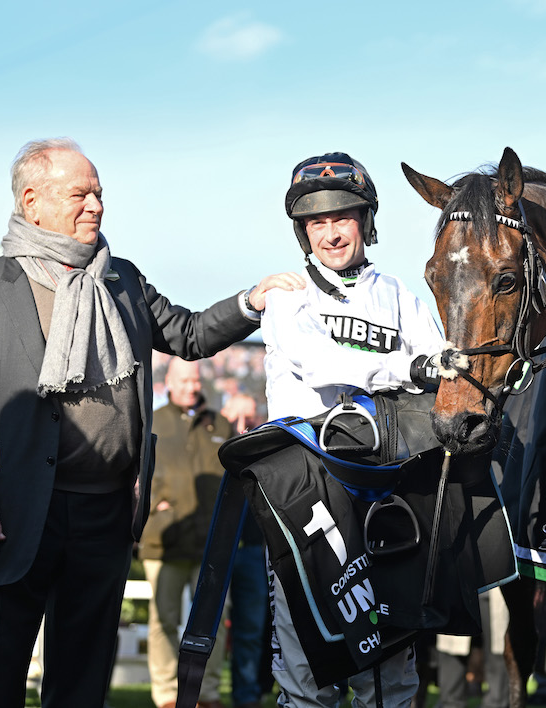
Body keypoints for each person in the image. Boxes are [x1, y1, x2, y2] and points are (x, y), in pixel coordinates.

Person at [0, 137, 287, 708]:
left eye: (99, 194)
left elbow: (188, 334)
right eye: (80, 193)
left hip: (104, 515)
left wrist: (251, 301)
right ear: (31, 201)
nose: (95, 205)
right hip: (5, 516)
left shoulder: (125, 280)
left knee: (81, 685)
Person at [260, 151, 445, 708]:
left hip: (382, 488)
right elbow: (320, 364)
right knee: (308, 664)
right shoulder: (287, 294)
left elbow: (441, 364)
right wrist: (405, 370)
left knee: (389, 668)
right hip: (303, 490)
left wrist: (435, 369)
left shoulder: (399, 295)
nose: (332, 232)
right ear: (303, 232)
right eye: (317, 222)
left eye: (343, 217)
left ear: (366, 221)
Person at [141, 357, 234, 708]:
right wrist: (154, 505)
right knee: (163, 621)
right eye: (184, 380)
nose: (191, 386)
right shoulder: (152, 421)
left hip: (212, 545)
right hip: (162, 541)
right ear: (169, 381)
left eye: (195, 380)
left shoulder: (220, 423)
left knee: (213, 622)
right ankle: (166, 697)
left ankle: (206, 695)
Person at [220, 391, 272, 708]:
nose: (244, 425)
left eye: (250, 417)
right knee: (202, 623)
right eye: (236, 417)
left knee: (251, 630)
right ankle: (201, 693)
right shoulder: (209, 443)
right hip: (215, 549)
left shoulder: (266, 452)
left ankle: (247, 696)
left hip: (253, 551)